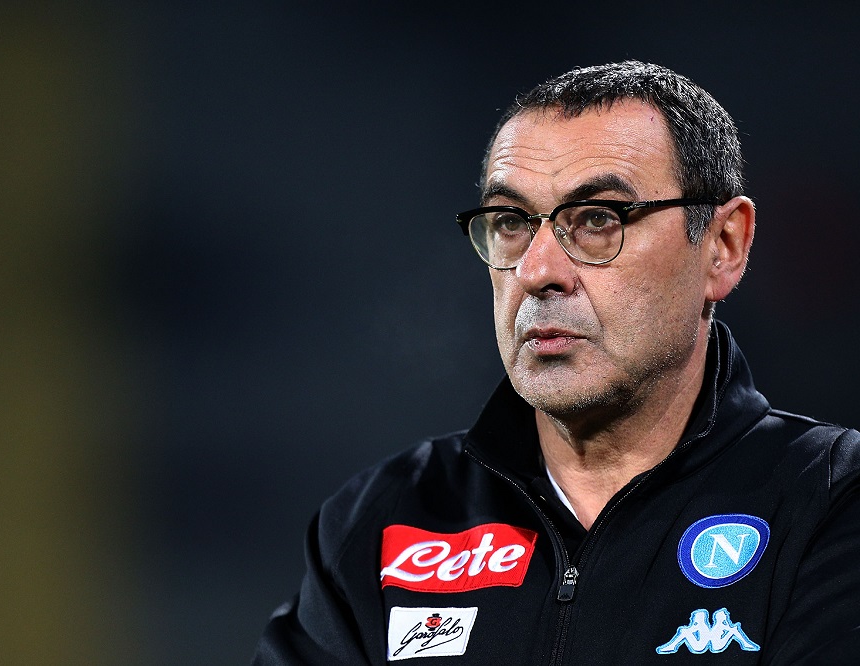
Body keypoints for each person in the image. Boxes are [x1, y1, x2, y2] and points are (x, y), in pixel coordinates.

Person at [253, 61, 860, 664]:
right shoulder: (380, 523)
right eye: (510, 222)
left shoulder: (830, 501)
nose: (537, 270)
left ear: (723, 246)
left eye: (598, 219)